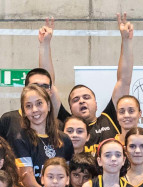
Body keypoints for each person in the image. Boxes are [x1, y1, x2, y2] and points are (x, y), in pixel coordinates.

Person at [36, 14, 135, 145]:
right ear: (70, 109)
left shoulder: (109, 118)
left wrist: (126, 40)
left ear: (96, 103)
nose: (82, 101)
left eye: (86, 97)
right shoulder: (65, 123)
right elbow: (47, 84)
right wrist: (45, 44)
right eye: (76, 100)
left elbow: (124, 80)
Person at [7, 83, 71, 187]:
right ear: (24, 112)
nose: (34, 110)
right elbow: (28, 182)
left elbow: (68, 177)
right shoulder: (20, 139)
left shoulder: (65, 139)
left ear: (49, 106)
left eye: (39, 103)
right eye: (28, 106)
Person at [0, 68, 68, 138]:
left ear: (50, 92)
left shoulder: (58, 125)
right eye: (34, 86)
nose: (40, 90)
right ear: (25, 90)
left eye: (45, 86)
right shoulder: (8, 120)